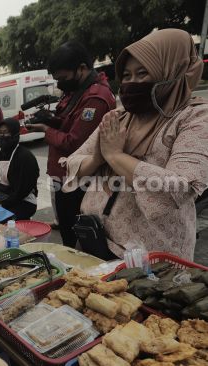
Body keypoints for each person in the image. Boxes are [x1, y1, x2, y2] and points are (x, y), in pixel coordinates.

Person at [61, 29, 208, 260]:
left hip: (152, 258)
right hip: (96, 241)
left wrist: (116, 156)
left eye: (142, 73)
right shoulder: (121, 116)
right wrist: (98, 158)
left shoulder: (194, 118)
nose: (131, 83)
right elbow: (72, 164)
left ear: (173, 71)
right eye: (126, 75)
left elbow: (178, 188)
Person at [26, 41, 115, 248]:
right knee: (67, 226)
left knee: (76, 232)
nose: (60, 84)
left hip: (79, 177)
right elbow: (68, 123)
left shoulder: (95, 98)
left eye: (63, 78)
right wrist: (48, 119)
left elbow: (75, 142)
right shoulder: (78, 91)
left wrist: (45, 130)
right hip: (65, 173)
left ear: (82, 68)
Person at [0, 118, 39, 219]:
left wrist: (2, 205)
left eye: (6, 132)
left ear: (15, 134)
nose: (2, 136)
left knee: (0, 221)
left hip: (22, 201)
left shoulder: (25, 157)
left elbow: (22, 191)